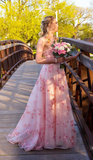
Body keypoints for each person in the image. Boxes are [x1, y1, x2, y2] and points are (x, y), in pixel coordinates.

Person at [6, 16, 82, 152]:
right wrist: (55, 61)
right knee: (47, 103)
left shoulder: (57, 40)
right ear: (49, 25)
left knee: (58, 103)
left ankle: (56, 136)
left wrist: (73, 56)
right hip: (48, 75)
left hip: (59, 74)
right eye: (55, 23)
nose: (57, 25)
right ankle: (45, 137)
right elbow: (39, 60)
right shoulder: (42, 40)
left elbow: (61, 59)